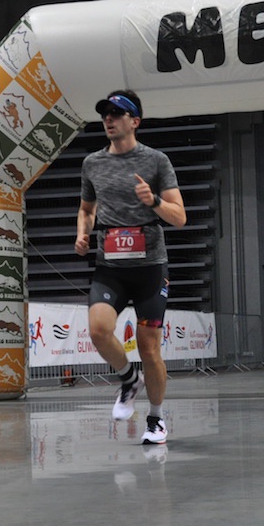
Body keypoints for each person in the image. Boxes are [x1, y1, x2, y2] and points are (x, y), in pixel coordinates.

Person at [75, 89, 186, 446]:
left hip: (150, 268)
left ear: (135, 121)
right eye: (104, 114)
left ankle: (156, 418)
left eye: (116, 114)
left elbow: (179, 217)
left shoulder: (156, 161)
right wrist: (83, 233)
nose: (108, 119)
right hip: (110, 266)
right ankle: (128, 378)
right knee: (98, 330)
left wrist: (153, 200)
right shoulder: (92, 164)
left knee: (149, 349)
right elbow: (87, 209)